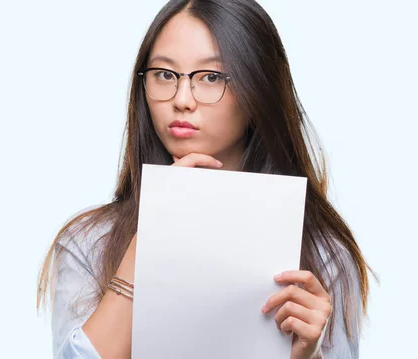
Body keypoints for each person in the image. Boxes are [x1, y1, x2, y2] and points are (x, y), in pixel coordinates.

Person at [37, 0, 375, 358]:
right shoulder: (88, 244)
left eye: (211, 77)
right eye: (165, 74)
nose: (182, 99)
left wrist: (304, 356)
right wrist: (149, 239)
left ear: (257, 88)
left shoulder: (324, 256)